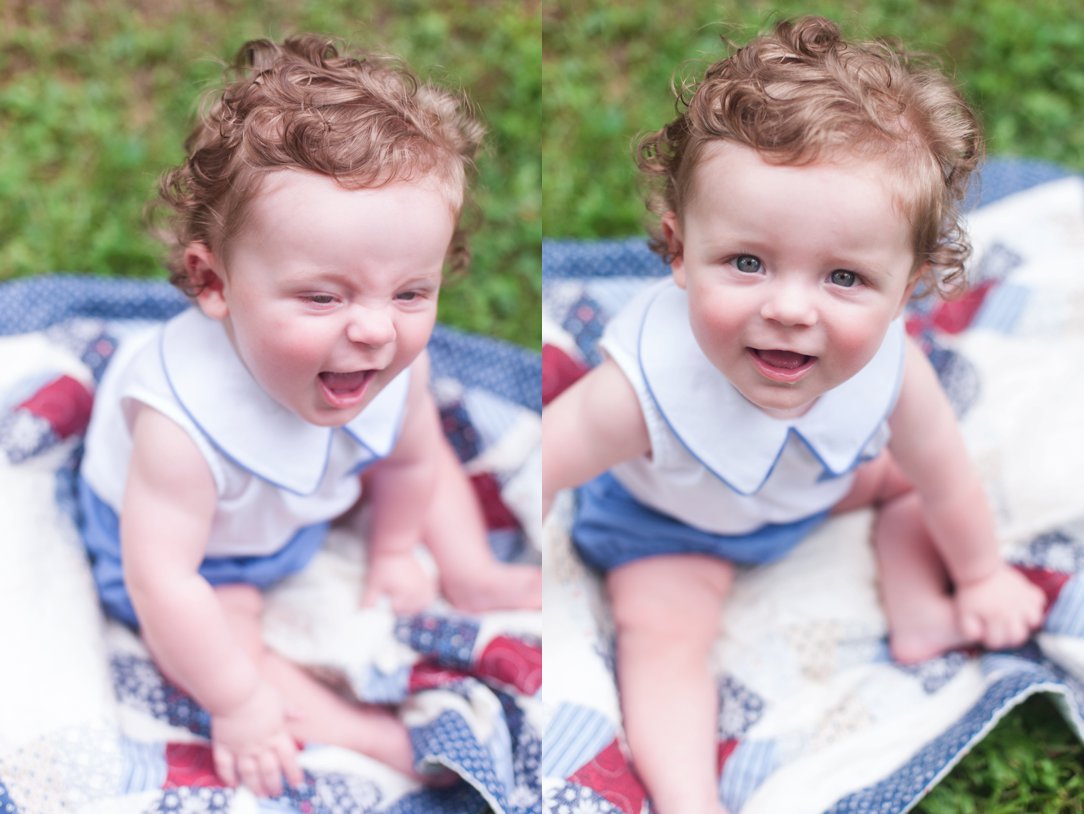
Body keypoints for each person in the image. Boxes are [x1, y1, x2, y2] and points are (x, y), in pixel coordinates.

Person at [542, 17, 1046, 814]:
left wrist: (981, 573)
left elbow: (946, 477)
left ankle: (919, 610)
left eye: (844, 277)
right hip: (667, 525)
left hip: (812, 492)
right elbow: (543, 461)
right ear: (678, 250)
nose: (788, 309)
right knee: (663, 639)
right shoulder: (645, 387)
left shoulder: (893, 372)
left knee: (909, 486)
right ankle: (691, 801)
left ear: (909, 288)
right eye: (747, 262)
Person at [78, 34, 541, 798]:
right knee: (223, 642)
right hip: (206, 558)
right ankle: (375, 739)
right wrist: (235, 703)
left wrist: (397, 550)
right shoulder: (180, 425)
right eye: (324, 296)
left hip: (286, 508)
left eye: (411, 292)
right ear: (213, 282)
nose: (376, 330)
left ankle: (473, 572)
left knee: (425, 450)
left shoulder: (390, 363)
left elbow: (412, 461)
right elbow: (163, 582)